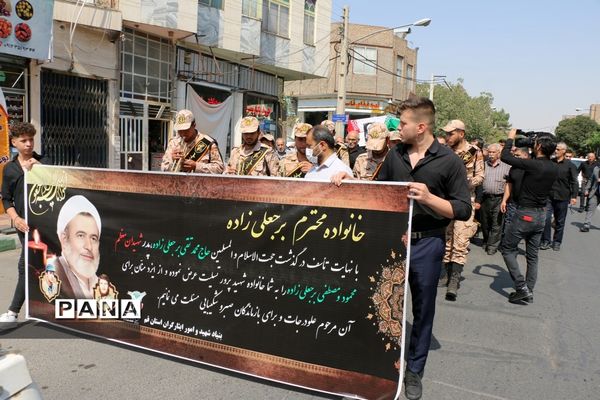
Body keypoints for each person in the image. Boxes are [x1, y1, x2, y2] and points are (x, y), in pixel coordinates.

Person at [334, 97, 471, 400]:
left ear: (421, 127)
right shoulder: (395, 155)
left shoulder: (450, 161)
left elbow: (463, 210)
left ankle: (414, 371)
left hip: (428, 244)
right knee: (379, 303)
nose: (398, 128)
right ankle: (378, 366)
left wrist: (429, 198)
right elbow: (379, 192)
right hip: (392, 240)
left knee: (422, 309)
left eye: (403, 123)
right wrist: (351, 180)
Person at [500, 129, 558, 304]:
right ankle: (529, 290)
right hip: (541, 214)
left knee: (507, 249)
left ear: (538, 146)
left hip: (525, 214)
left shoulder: (534, 165)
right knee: (532, 256)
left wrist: (510, 138)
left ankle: (522, 287)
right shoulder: (554, 166)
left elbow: (505, 157)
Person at [0, 122, 44, 325]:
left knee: (34, 265)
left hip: (45, 224)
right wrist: (16, 219)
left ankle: (14, 312)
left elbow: (60, 184)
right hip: (24, 225)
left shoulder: (44, 162)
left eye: (31, 140)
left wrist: (39, 170)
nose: (28, 144)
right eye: (23, 140)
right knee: (28, 265)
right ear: (14, 143)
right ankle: (15, 312)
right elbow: (6, 199)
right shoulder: (10, 169)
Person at [441, 119, 484, 301]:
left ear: (461, 134)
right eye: (446, 133)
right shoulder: (444, 151)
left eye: (451, 133)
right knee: (446, 238)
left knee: (460, 240)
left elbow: (480, 176)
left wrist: (464, 183)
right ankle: (444, 274)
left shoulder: (474, 152)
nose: (447, 136)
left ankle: (454, 280)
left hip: (465, 200)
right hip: (445, 201)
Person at [53, 195, 102, 299]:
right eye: (81, 236)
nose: (89, 246)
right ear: (64, 239)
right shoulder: (52, 277)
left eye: (93, 238)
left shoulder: (101, 285)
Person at [540, 142, 578, 251]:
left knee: (560, 221)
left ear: (564, 151)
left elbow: (574, 182)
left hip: (562, 197)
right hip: (549, 196)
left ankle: (557, 242)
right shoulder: (550, 162)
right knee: (546, 219)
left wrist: (574, 196)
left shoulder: (570, 166)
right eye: (555, 149)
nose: (555, 151)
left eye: (558, 149)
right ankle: (546, 240)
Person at [161, 109, 224, 173]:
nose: (182, 134)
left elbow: (220, 168)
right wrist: (172, 160)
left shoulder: (207, 142)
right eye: (180, 130)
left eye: (186, 130)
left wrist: (196, 166)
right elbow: (163, 169)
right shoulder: (173, 143)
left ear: (194, 125)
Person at [480, 143, 511, 255]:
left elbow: (509, 184)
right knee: (485, 222)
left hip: (499, 198)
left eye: (493, 152)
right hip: (485, 198)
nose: (491, 154)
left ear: (499, 153)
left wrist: (504, 201)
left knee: (496, 223)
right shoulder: (483, 165)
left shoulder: (506, 167)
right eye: (489, 152)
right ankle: (486, 240)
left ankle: (492, 246)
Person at [581, 164, 599, 232]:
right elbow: (591, 179)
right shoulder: (596, 168)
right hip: (595, 193)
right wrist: (587, 189)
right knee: (590, 208)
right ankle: (586, 225)